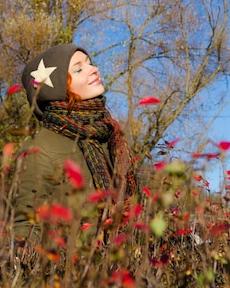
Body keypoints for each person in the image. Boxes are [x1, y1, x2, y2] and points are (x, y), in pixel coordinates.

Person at [12, 43, 137, 245]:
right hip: (69, 271)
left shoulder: (110, 136)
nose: (94, 70)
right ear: (57, 87)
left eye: (90, 63)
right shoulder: (42, 148)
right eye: (78, 69)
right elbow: (26, 226)